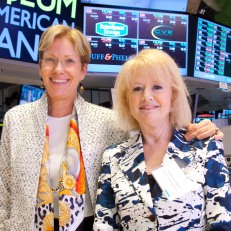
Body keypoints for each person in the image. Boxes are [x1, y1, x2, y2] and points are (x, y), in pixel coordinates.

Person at [0, 25, 223, 231]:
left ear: (83, 70)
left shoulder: (109, 122)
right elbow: (4, 190)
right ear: (40, 67)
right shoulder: (16, 120)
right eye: (50, 59)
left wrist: (200, 130)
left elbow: (155, 127)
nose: (59, 69)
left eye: (69, 61)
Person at [93, 49, 231, 230]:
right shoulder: (113, 157)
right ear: (126, 99)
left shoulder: (205, 147)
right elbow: (104, 225)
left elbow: (222, 223)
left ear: (172, 94)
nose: (146, 96)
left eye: (157, 87)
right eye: (137, 88)